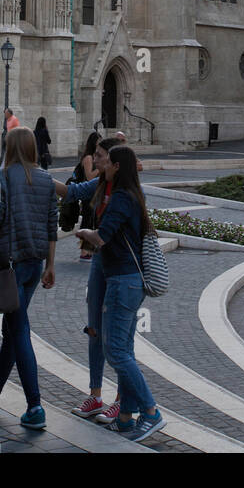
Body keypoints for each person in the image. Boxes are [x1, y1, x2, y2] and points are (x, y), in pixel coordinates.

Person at [77, 145, 164, 442]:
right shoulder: (132, 195)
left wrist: (84, 233)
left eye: (108, 162)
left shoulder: (121, 199)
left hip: (121, 282)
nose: (104, 165)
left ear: (116, 166)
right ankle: (126, 416)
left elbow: (102, 238)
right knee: (123, 350)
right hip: (129, 281)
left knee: (115, 351)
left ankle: (150, 412)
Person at [0, 127, 57, 430]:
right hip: (34, 263)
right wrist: (51, 265)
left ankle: (35, 406)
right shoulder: (45, 180)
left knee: (20, 330)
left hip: (10, 263)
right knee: (13, 329)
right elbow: (52, 224)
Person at [55, 133, 126, 424]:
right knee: (94, 329)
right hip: (99, 262)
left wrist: (90, 235)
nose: (93, 159)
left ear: (112, 160)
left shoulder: (126, 191)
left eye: (98, 155)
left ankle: (122, 401)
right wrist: (34, 174)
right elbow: (71, 193)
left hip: (121, 268)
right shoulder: (99, 184)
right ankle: (96, 395)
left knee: (120, 337)